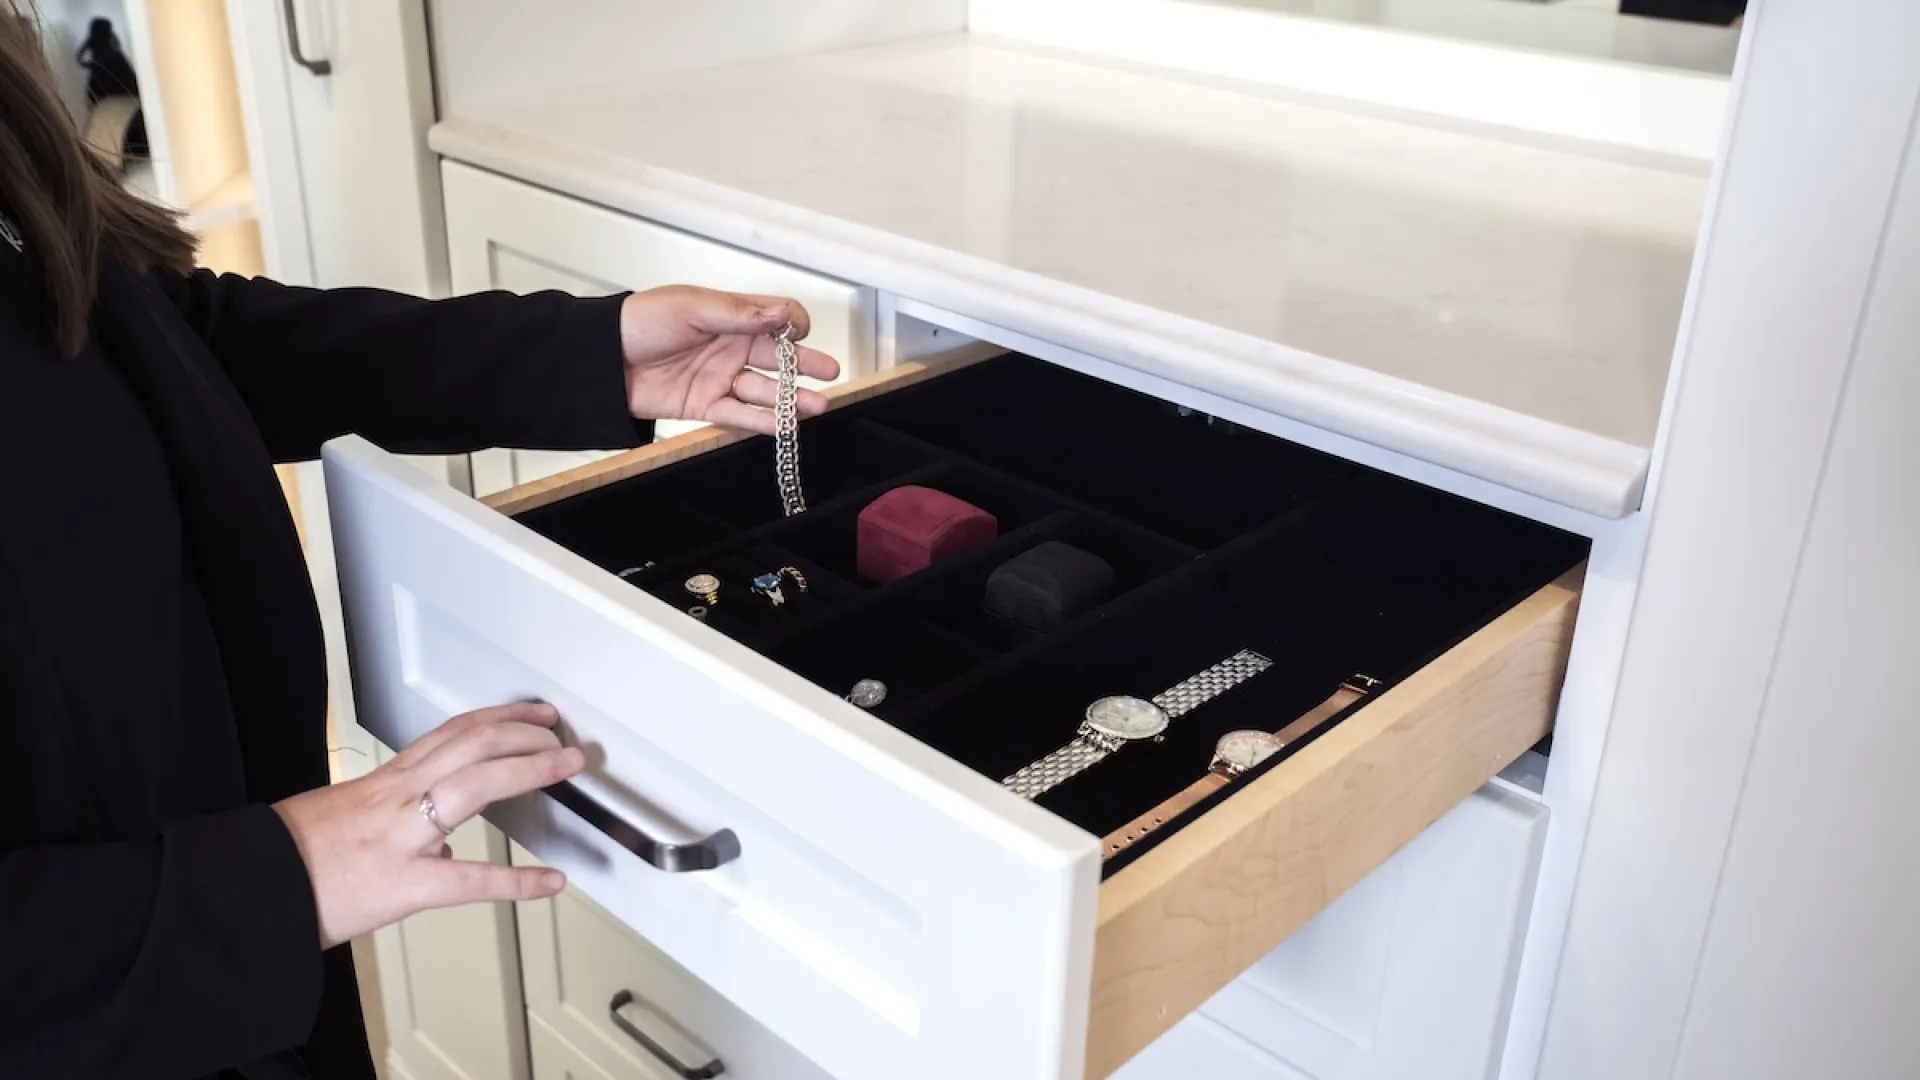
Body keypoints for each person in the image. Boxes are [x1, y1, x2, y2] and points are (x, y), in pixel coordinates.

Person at [0, 8, 838, 1079]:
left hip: (242, 925)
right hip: (128, 996)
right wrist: (266, 883)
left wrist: (588, 354)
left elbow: (173, 338)